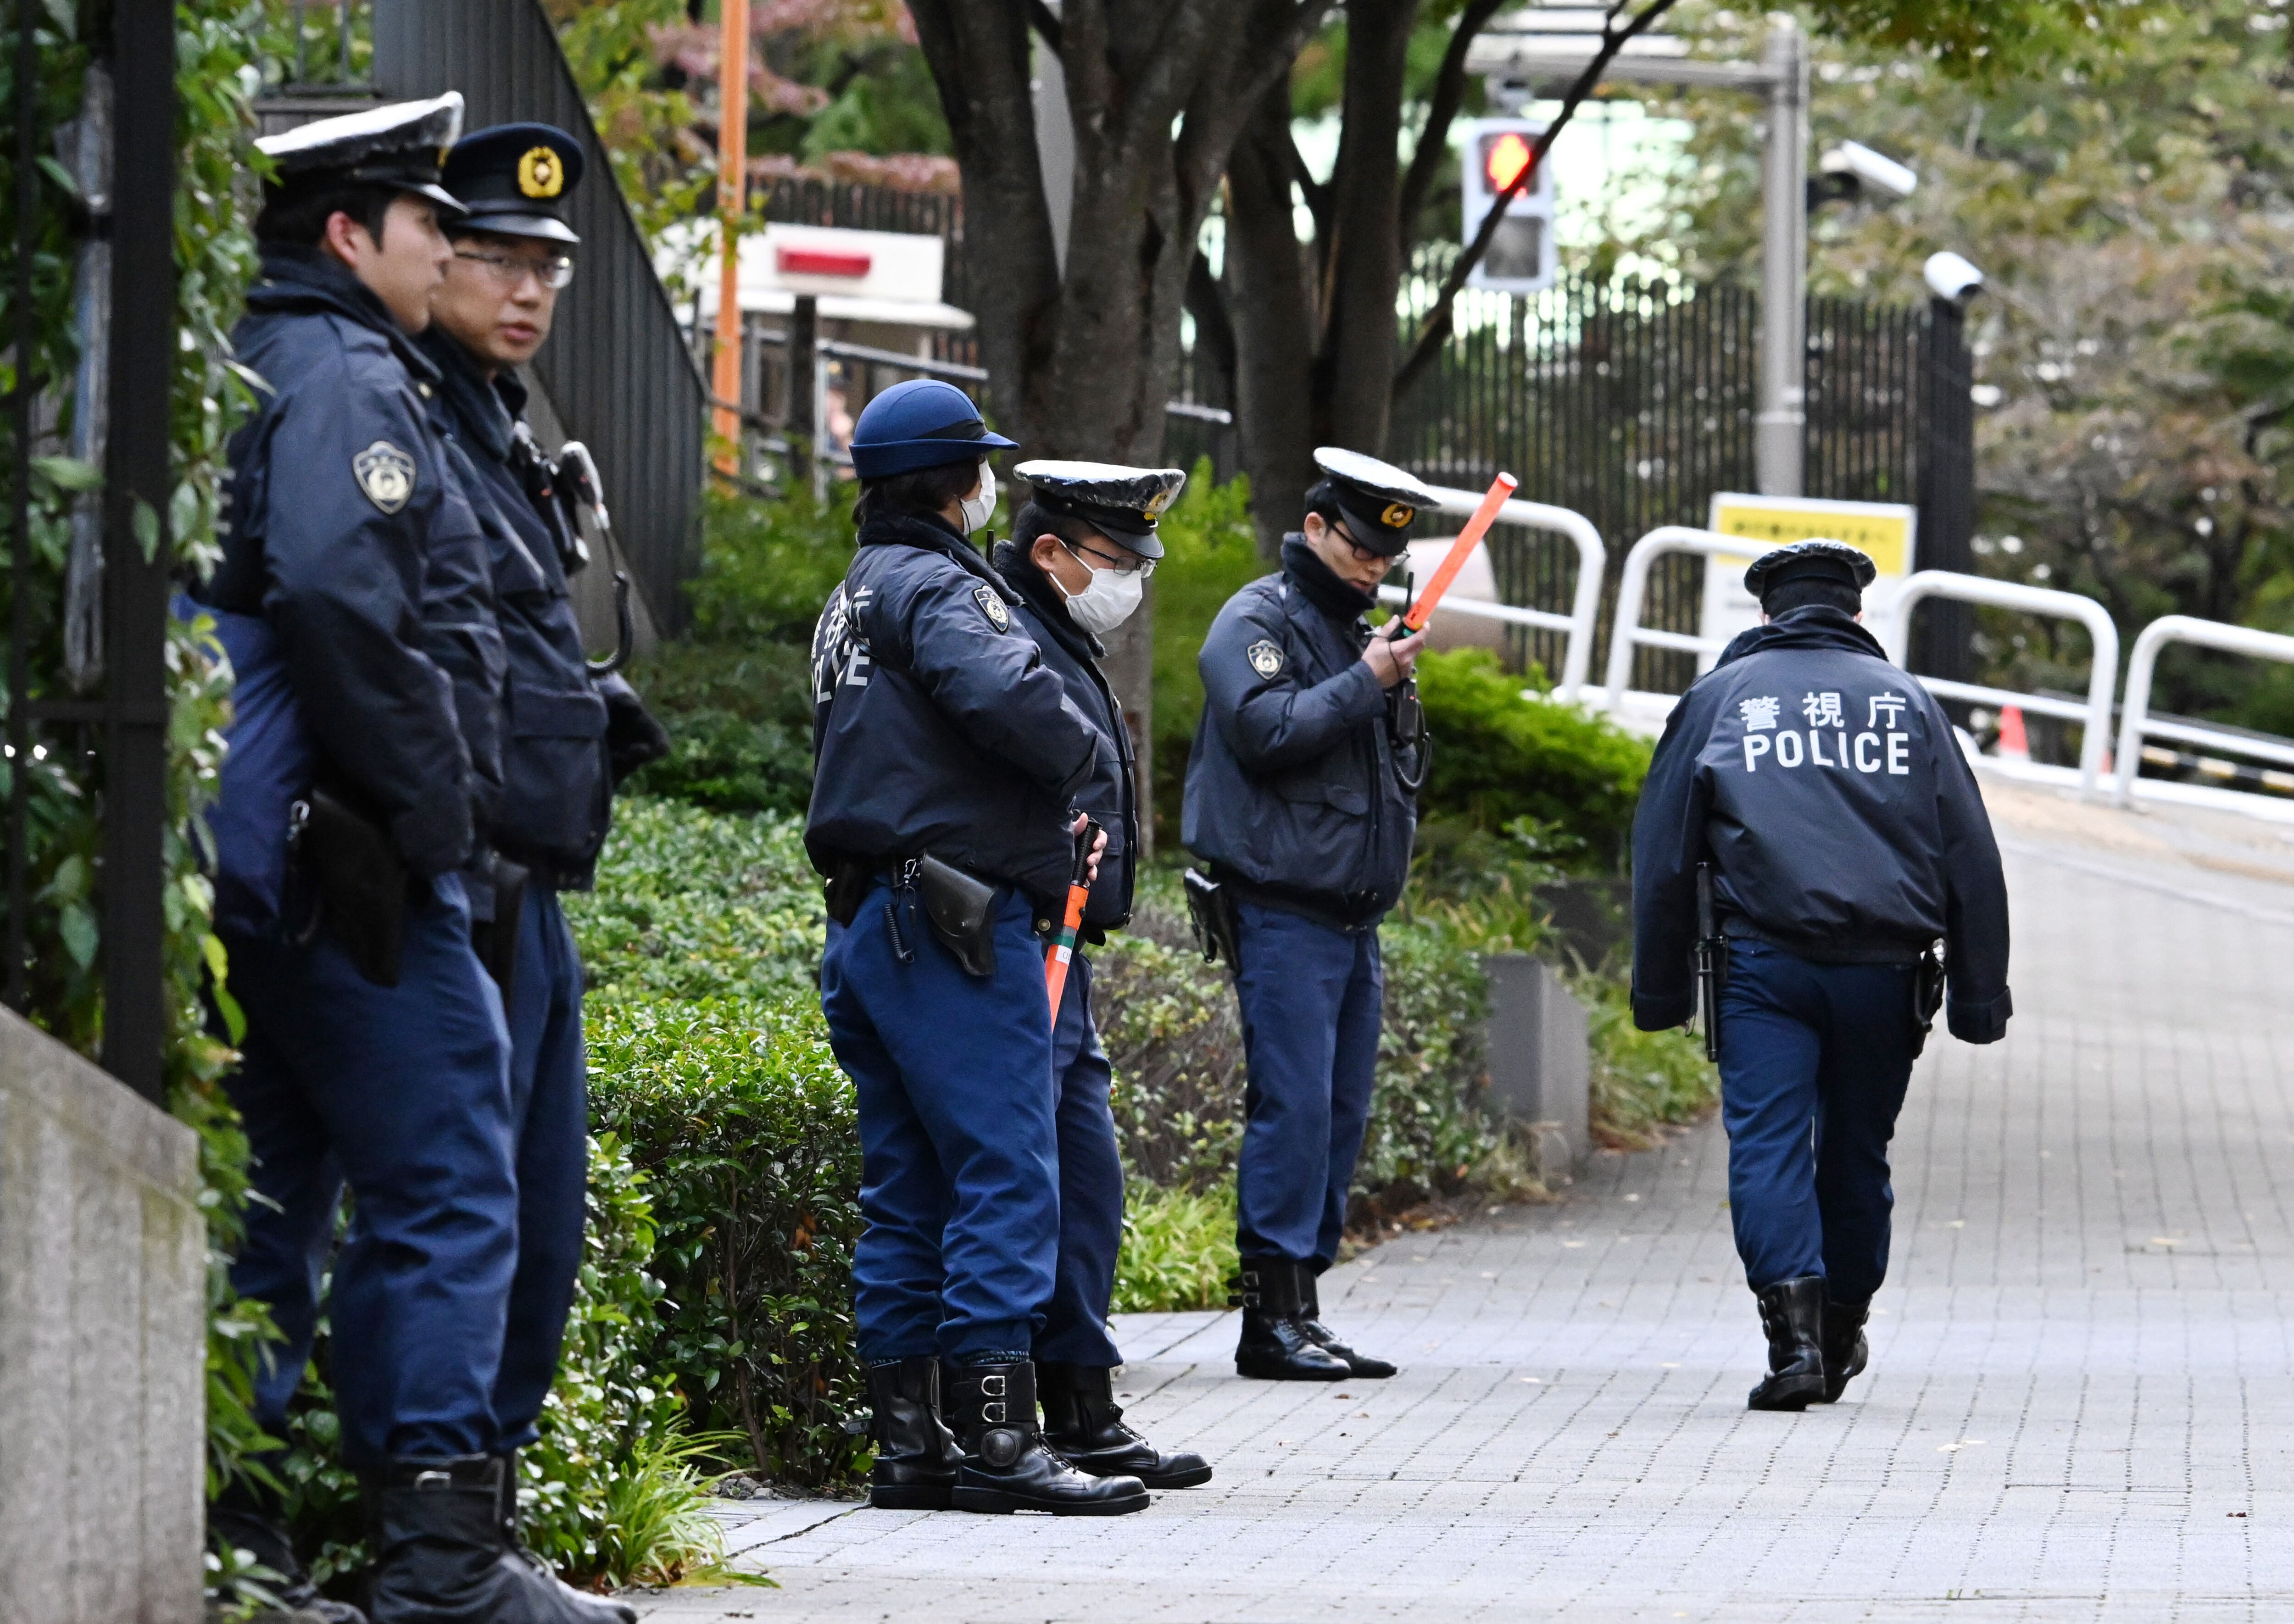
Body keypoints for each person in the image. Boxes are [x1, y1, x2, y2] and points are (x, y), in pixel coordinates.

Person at [192, 95, 610, 1624]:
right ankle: (436, 1564)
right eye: (437, 226)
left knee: (276, 1202)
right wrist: (436, 815)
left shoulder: (296, 360)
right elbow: (341, 599)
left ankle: (239, 1544)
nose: (458, 256)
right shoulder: (349, 370)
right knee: (448, 1181)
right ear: (353, 235)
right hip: (359, 869)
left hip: (288, 864)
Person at [806, 379, 1149, 1516]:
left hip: (869, 919)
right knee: (1008, 1167)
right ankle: (1003, 1442)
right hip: (956, 925)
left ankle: (908, 1448)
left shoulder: (854, 592)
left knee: (907, 1187)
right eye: (982, 467)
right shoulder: (942, 587)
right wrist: (1074, 759)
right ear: (959, 487)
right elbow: (1018, 702)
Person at [418, 122, 664, 1620]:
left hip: (532, 889)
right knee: (467, 1213)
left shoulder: (497, 424)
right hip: (462, 883)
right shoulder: (416, 420)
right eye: (499, 259)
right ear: (429, 254)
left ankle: (485, 1531)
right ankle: (441, 1553)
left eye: (547, 270)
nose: (527, 290)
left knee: (537, 1214)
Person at [1629, 539, 2013, 1411]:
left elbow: (1661, 852)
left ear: (1766, 614)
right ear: (1857, 614)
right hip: (1885, 972)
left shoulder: (1720, 701)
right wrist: (1980, 997)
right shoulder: (1911, 705)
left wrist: (1660, 991)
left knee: (1768, 1145)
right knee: (1856, 1153)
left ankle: (1792, 1344)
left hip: (1761, 966)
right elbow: (1970, 854)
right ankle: (1842, 1327)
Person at [1181, 447, 1434, 1382]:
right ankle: (1266, 1319)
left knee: (1336, 1113)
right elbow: (1264, 729)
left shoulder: (1359, 632)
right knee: (1290, 1110)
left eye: (1383, 555)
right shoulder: (1261, 617)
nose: (1370, 564)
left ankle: (1304, 1304)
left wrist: (1383, 681)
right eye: (1357, 546)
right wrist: (1366, 681)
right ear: (1317, 528)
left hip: (1348, 914)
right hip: (1279, 904)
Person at [989, 460, 1213, 1489]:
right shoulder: (1004, 630)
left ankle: (1084, 1402)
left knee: (1086, 1175)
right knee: (1033, 1178)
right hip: (1024, 936)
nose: (1129, 582)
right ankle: (1018, 1419)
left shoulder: (1063, 635)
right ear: (1050, 552)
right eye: (1114, 560)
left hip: (1067, 945)